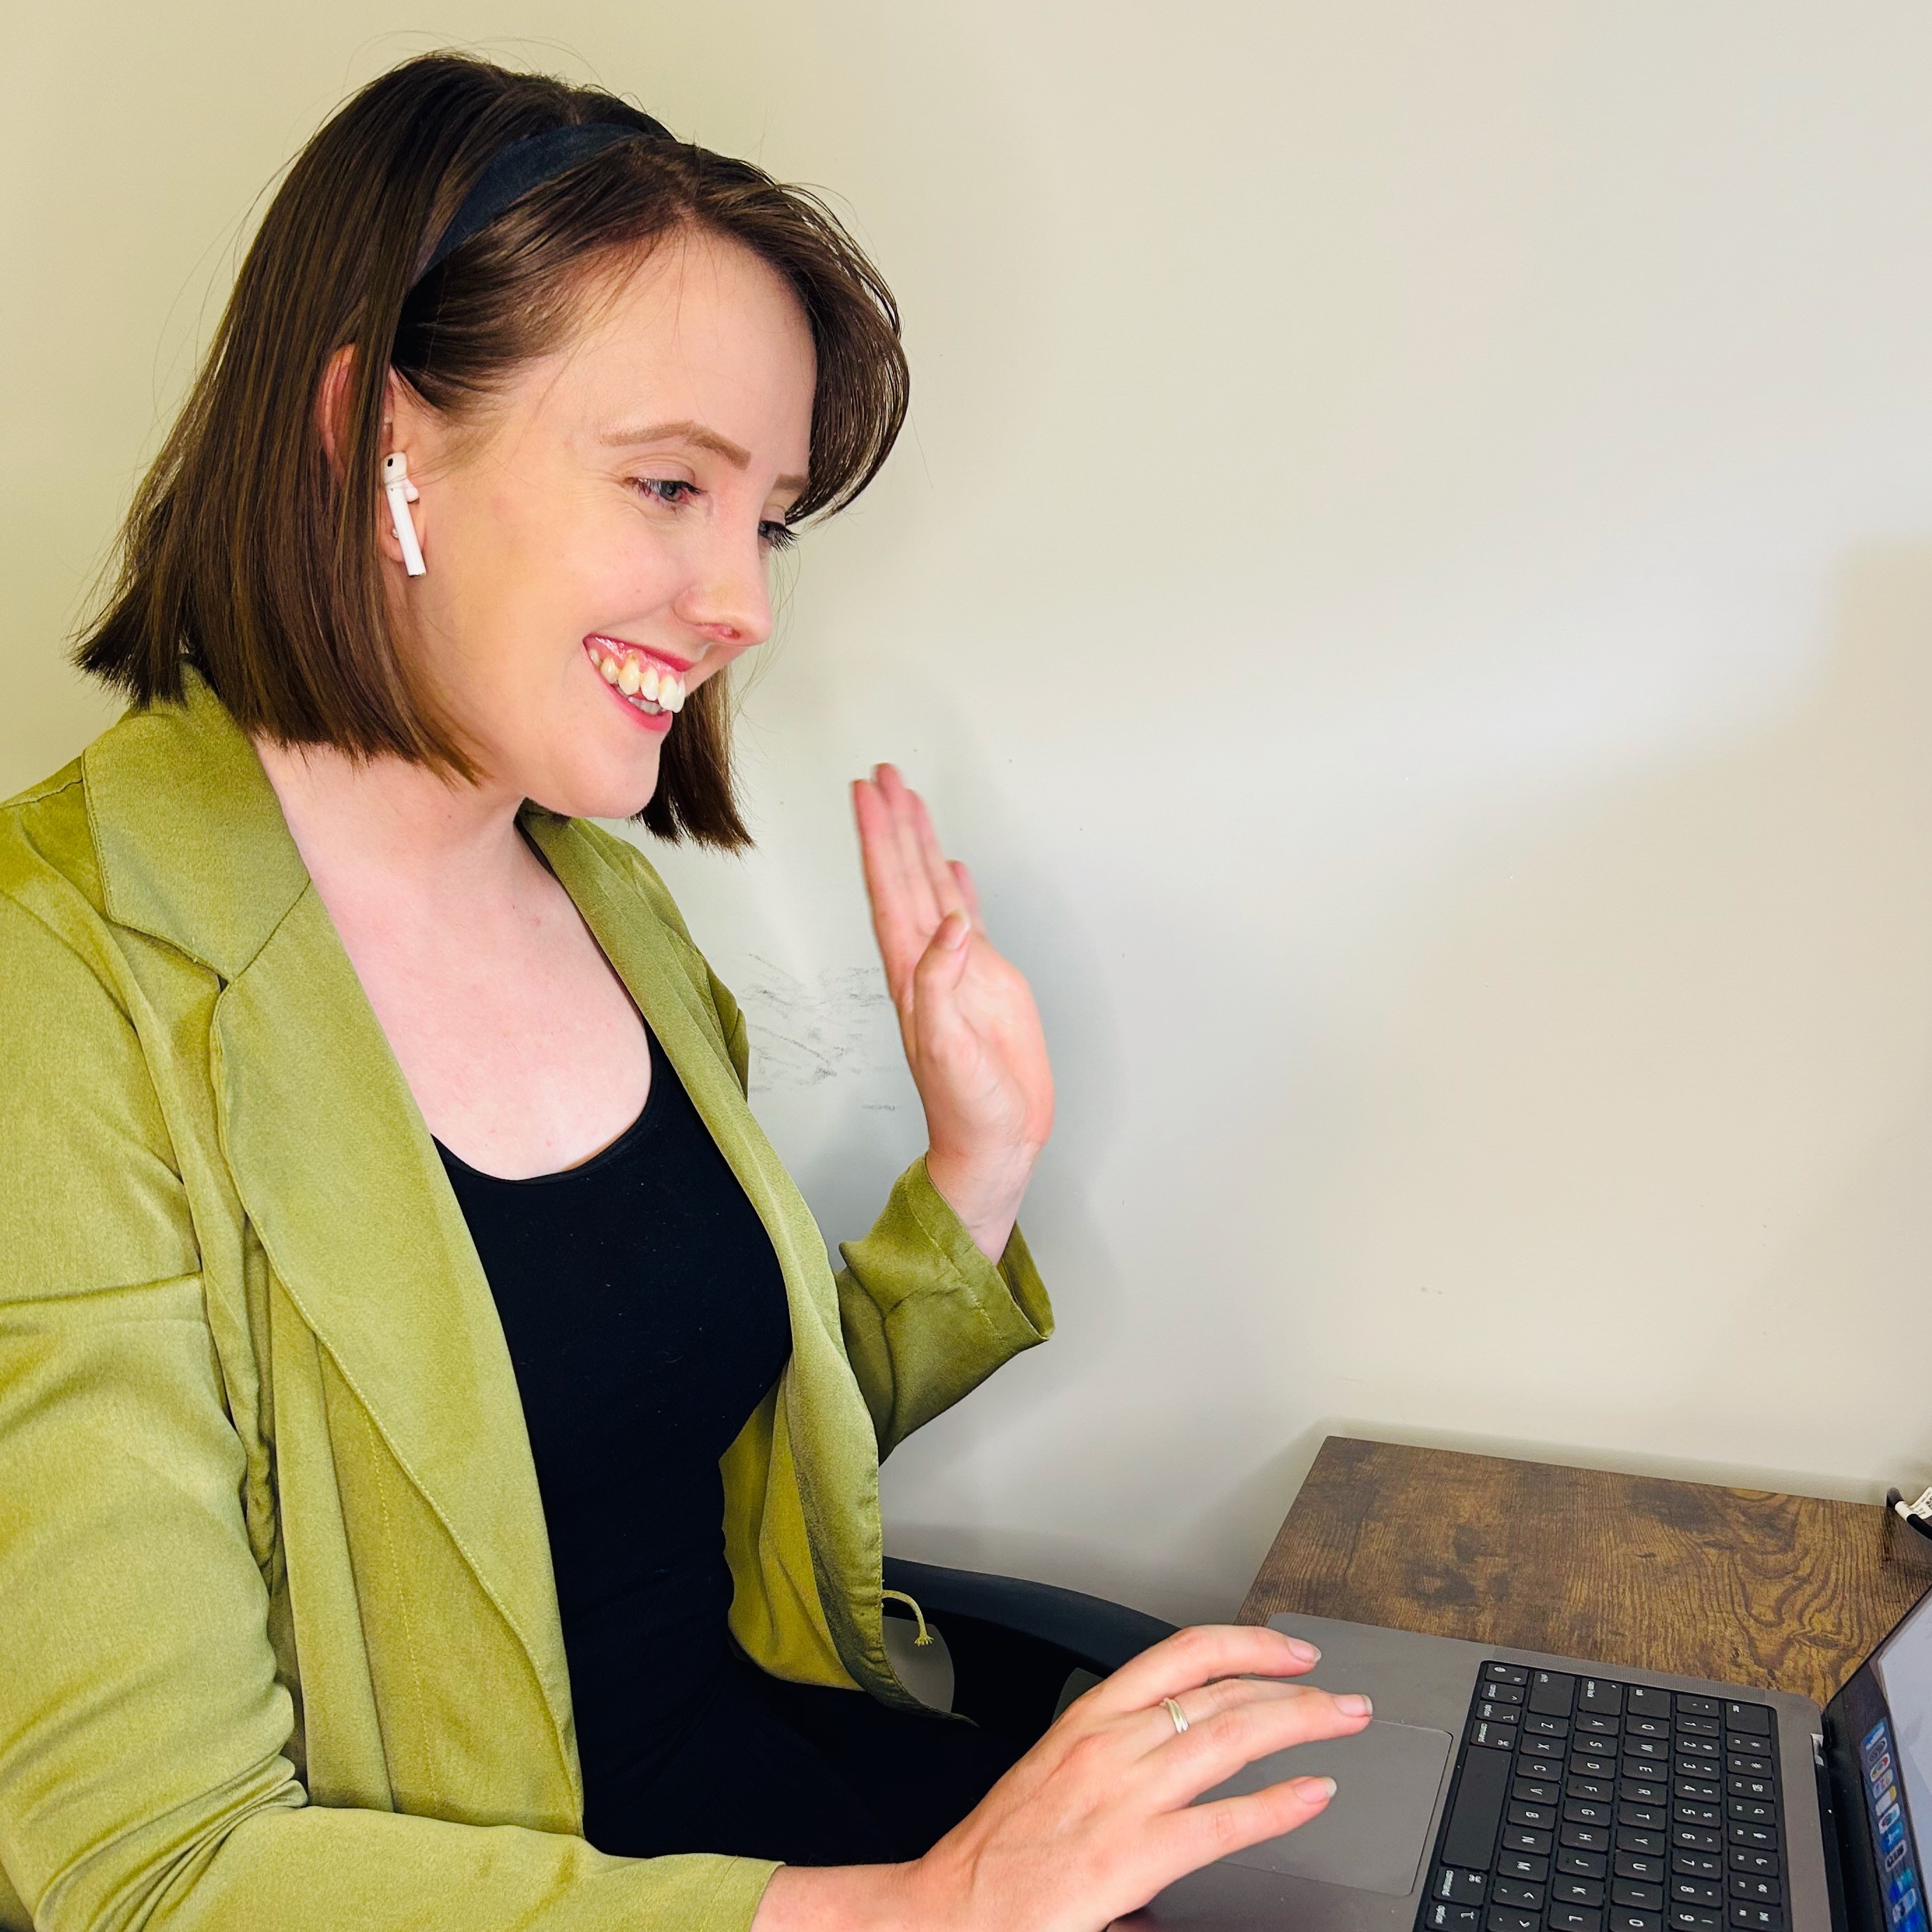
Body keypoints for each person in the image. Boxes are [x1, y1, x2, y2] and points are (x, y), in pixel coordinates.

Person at [0, 52, 1371, 1932]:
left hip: (792, 1801)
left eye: (770, 518)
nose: (743, 602)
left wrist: (975, 1161)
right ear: (365, 436)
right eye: (669, 483)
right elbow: (146, 1865)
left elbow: (686, 1454)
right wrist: (920, 1910)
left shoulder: (609, 902)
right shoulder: (58, 987)